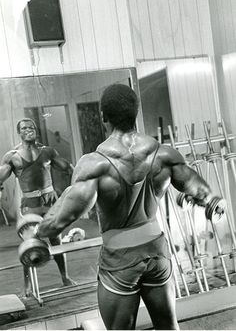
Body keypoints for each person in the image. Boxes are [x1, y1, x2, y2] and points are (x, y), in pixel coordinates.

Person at [34, 84, 215, 330]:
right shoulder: (164, 154)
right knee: (168, 326)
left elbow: (60, 220)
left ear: (103, 117)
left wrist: (38, 233)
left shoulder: (94, 165)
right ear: (135, 114)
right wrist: (209, 203)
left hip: (120, 260)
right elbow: (204, 194)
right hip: (157, 252)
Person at [0, 118, 75, 296]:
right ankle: (28, 286)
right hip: (30, 207)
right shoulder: (13, 156)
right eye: (24, 128)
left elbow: (68, 168)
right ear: (20, 132)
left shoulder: (47, 151)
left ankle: (65, 277)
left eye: (31, 127)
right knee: (30, 246)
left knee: (56, 241)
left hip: (49, 203)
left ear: (36, 130)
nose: (28, 130)